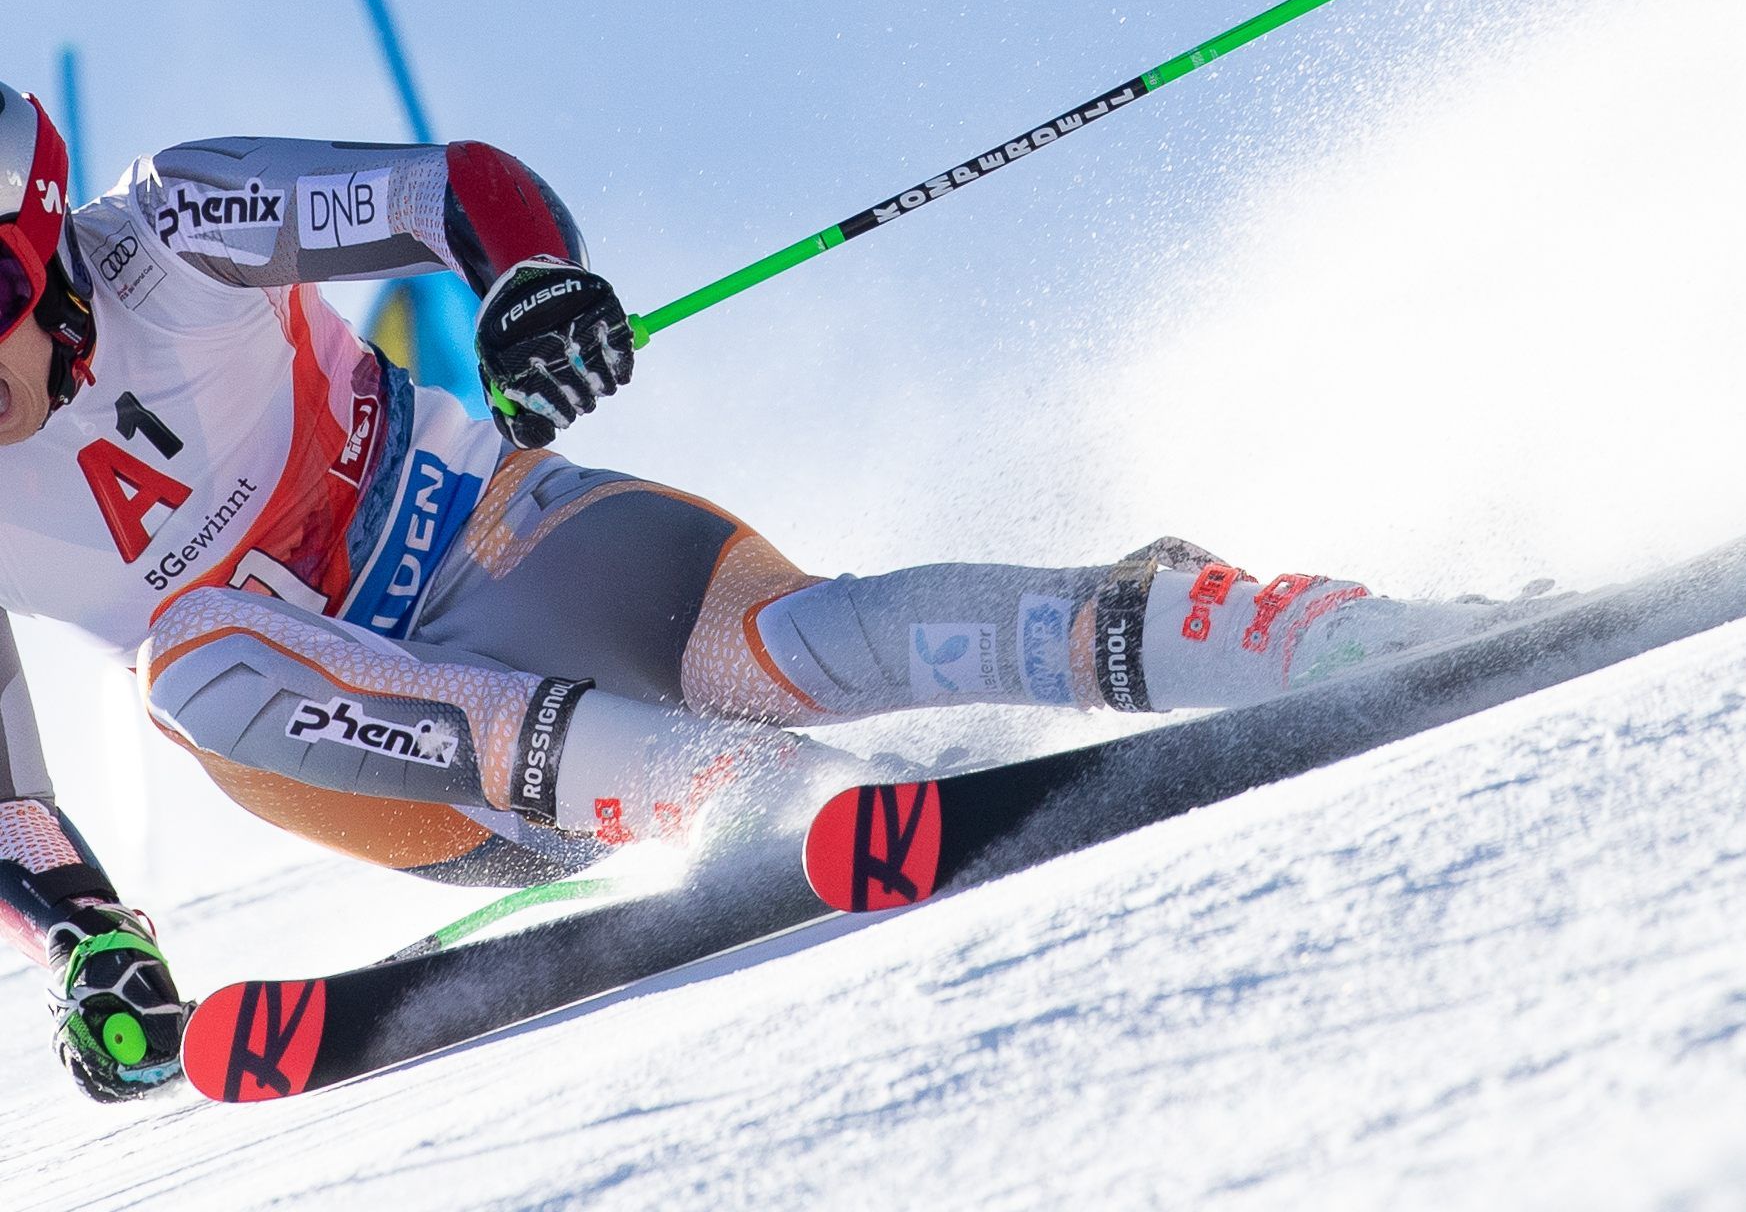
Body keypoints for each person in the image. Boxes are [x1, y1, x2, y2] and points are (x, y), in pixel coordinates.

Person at [0, 81, 1512, 1101]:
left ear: (46, 247)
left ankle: (1265, 628)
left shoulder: (174, 225)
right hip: (400, 772)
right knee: (190, 656)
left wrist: (529, 286)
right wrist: (84, 943)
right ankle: (742, 800)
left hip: (512, 545)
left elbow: (450, 191)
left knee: (799, 643)